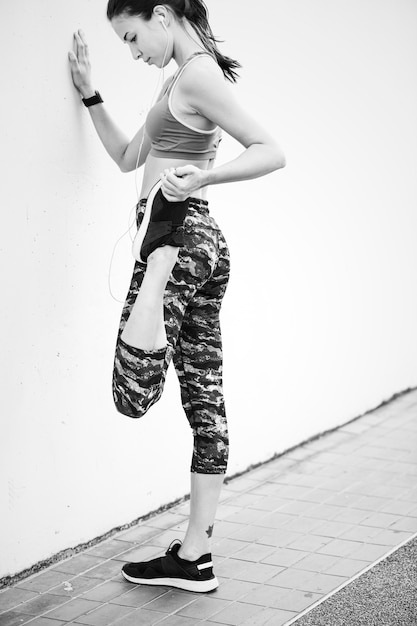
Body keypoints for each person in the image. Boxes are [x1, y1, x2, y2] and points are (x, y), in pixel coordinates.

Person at [68, 0, 285, 594]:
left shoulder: (196, 73)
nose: (134, 53)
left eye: (133, 38)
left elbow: (271, 149)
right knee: (204, 399)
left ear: (162, 15)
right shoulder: (180, 78)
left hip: (175, 240)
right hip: (200, 241)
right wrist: (91, 95)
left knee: (132, 393)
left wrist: (201, 185)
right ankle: (195, 557)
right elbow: (126, 158)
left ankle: (193, 556)